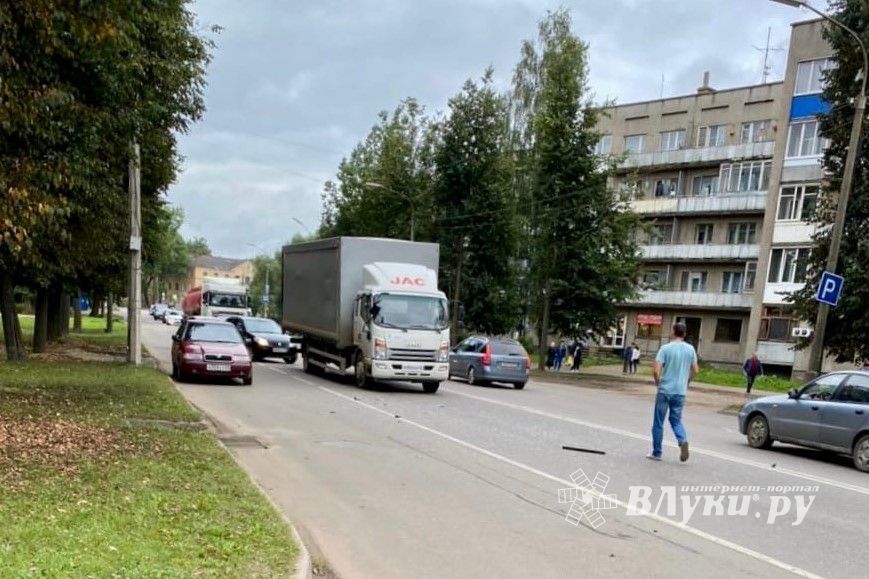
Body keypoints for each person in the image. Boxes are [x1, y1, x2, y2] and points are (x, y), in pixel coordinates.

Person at [648, 323, 698, 462]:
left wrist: (658, 383)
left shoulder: (665, 348)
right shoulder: (690, 349)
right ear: (684, 334)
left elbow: (656, 370)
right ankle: (682, 440)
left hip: (665, 390)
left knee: (658, 422)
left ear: (674, 332)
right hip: (680, 392)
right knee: (676, 420)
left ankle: (657, 453)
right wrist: (687, 382)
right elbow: (696, 370)